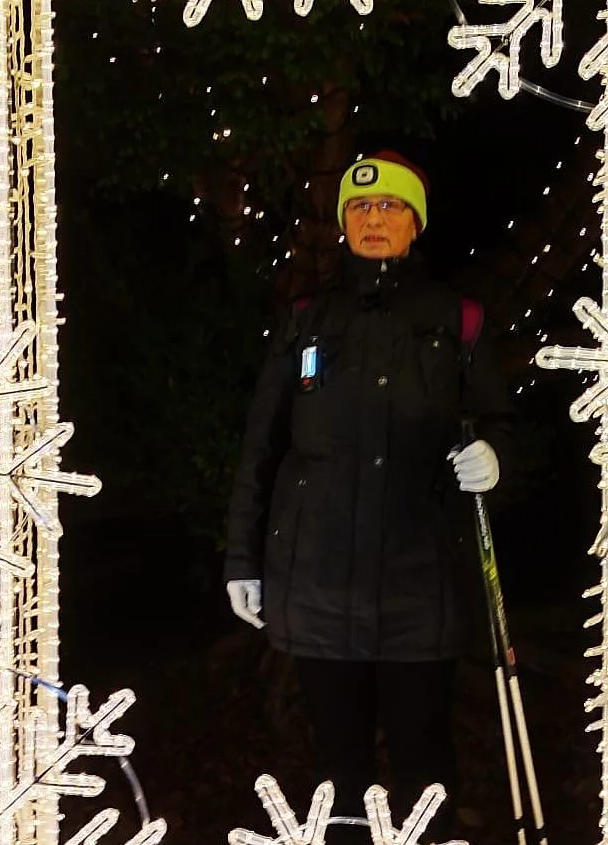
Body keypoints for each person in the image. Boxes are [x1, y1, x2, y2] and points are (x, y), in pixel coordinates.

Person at [224, 150, 516, 841]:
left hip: (420, 581)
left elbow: (502, 419)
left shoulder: (456, 317)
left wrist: (496, 456)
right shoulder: (307, 318)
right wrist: (242, 559)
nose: (373, 218)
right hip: (318, 580)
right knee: (337, 768)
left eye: (389, 206)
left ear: (415, 223)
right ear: (343, 222)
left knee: (424, 764)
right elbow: (261, 445)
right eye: (359, 207)